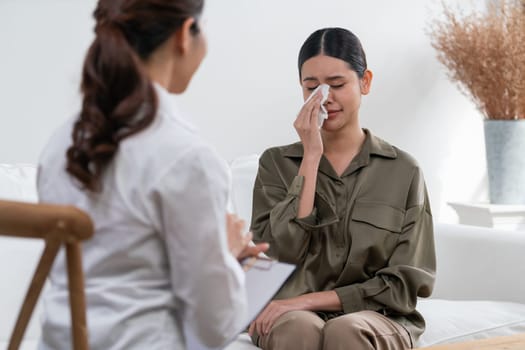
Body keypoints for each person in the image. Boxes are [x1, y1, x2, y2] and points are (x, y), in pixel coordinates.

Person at [36, 1, 267, 349]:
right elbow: (214, 330)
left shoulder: (60, 145)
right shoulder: (189, 156)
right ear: (184, 35)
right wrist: (228, 259)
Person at [249, 27, 436, 350]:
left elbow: (405, 283)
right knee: (298, 328)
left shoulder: (404, 170)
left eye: (337, 85)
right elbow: (276, 259)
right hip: (286, 314)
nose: (325, 97)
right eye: (312, 87)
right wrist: (311, 156)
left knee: (347, 330)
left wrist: (310, 301)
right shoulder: (275, 164)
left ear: (365, 82)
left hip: (377, 316)